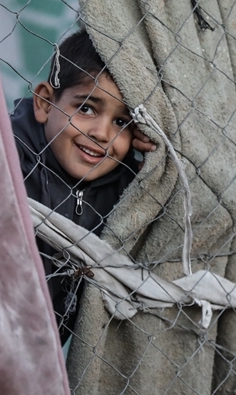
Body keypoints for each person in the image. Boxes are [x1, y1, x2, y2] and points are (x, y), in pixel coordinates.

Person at [10, 29, 156, 345]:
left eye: (122, 122)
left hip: (44, 356)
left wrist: (155, 166)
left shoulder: (126, 186)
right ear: (45, 103)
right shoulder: (4, 157)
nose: (102, 133)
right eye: (87, 108)